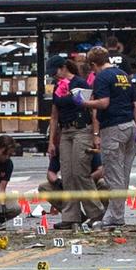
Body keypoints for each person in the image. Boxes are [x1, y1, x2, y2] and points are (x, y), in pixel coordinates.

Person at [77, 46, 136, 229]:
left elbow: (104, 103)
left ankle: (113, 218)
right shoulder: (123, 75)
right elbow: (135, 104)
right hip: (130, 126)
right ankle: (117, 216)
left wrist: (84, 102)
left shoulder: (102, 77)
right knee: (123, 175)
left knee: (114, 175)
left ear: (93, 64)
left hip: (113, 128)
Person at [46, 55, 105, 230]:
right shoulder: (57, 87)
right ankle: (71, 217)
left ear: (64, 67)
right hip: (65, 132)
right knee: (68, 174)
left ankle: (96, 214)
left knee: (80, 172)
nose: (54, 76)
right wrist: (51, 141)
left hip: (82, 130)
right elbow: (54, 115)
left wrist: (95, 135)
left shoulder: (80, 83)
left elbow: (92, 110)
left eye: (55, 71)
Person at [38, 151, 109, 214]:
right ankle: (74, 216)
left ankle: (100, 215)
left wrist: (86, 180)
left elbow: (101, 171)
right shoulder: (61, 149)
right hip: (69, 184)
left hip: (90, 183)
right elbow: (50, 172)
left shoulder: (87, 147)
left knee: (103, 183)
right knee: (44, 187)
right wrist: (58, 182)